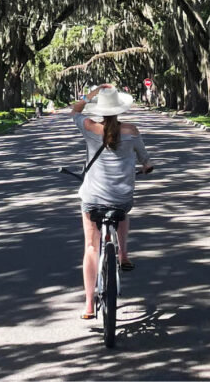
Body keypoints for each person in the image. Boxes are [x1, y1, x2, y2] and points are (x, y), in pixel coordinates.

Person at [71, 83, 153, 320]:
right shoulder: (132, 130)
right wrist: (146, 166)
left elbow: (75, 111)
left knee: (91, 246)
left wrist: (91, 93)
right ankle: (123, 255)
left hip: (92, 198)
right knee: (122, 211)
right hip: (121, 197)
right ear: (119, 110)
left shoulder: (89, 126)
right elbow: (145, 158)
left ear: (100, 110)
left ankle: (88, 305)